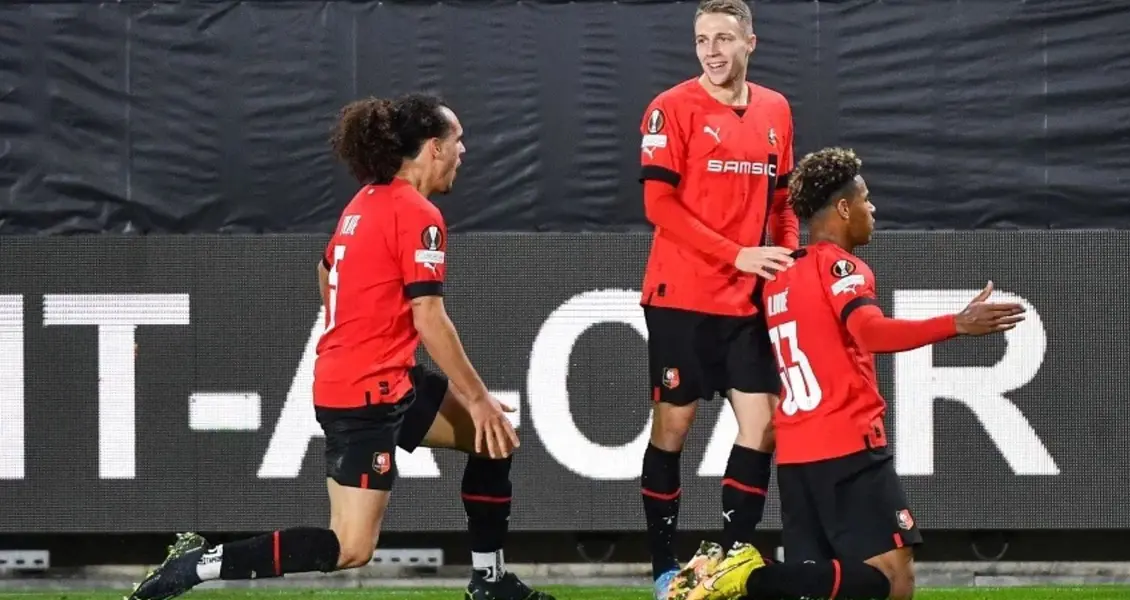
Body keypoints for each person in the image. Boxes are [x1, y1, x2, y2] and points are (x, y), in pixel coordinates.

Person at [126, 94, 555, 600]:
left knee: (494, 440)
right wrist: (478, 397)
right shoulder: (419, 215)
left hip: (388, 379)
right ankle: (199, 564)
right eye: (459, 140)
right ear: (434, 148)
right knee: (350, 547)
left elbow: (327, 269)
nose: (465, 151)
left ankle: (489, 580)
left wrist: (359, 331)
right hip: (362, 394)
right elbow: (429, 317)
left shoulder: (365, 202)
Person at [671, 147, 1027, 600]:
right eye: (866, 199)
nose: (872, 208)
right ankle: (748, 575)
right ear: (843, 207)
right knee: (893, 582)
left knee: (818, 588)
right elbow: (870, 332)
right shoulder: (840, 266)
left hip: (797, 457)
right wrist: (955, 324)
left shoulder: (779, 276)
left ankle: (736, 578)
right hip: (847, 447)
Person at [636, 0, 803, 597]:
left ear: (750, 42)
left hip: (747, 300)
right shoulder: (670, 108)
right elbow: (658, 206)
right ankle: (662, 568)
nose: (711, 50)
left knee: (763, 427)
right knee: (674, 429)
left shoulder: (776, 109)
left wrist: (782, 260)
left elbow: (782, 203)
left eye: (724, 38)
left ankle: (729, 563)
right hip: (681, 296)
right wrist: (738, 255)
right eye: (702, 38)